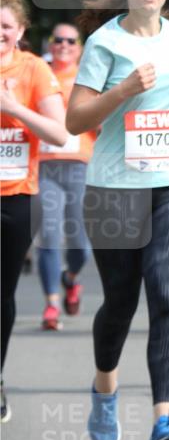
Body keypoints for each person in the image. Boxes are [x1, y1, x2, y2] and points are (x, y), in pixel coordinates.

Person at [67, 0, 169, 440]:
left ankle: (163, 421)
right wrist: (123, 89)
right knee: (121, 302)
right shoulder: (104, 43)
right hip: (113, 189)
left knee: (168, 292)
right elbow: (75, 121)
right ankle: (105, 387)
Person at [1, 0, 67, 422]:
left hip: (16, 199)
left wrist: (13, 110)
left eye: (5, 27)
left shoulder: (33, 70)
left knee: (2, 294)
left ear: (21, 30)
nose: (0, 34)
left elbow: (60, 133)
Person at [37, 23, 94, 331]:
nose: (63, 44)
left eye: (70, 40)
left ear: (79, 47)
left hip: (79, 165)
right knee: (48, 233)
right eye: (57, 39)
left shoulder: (89, 79)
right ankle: (51, 304)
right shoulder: (39, 73)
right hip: (45, 164)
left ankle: (71, 279)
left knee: (80, 245)